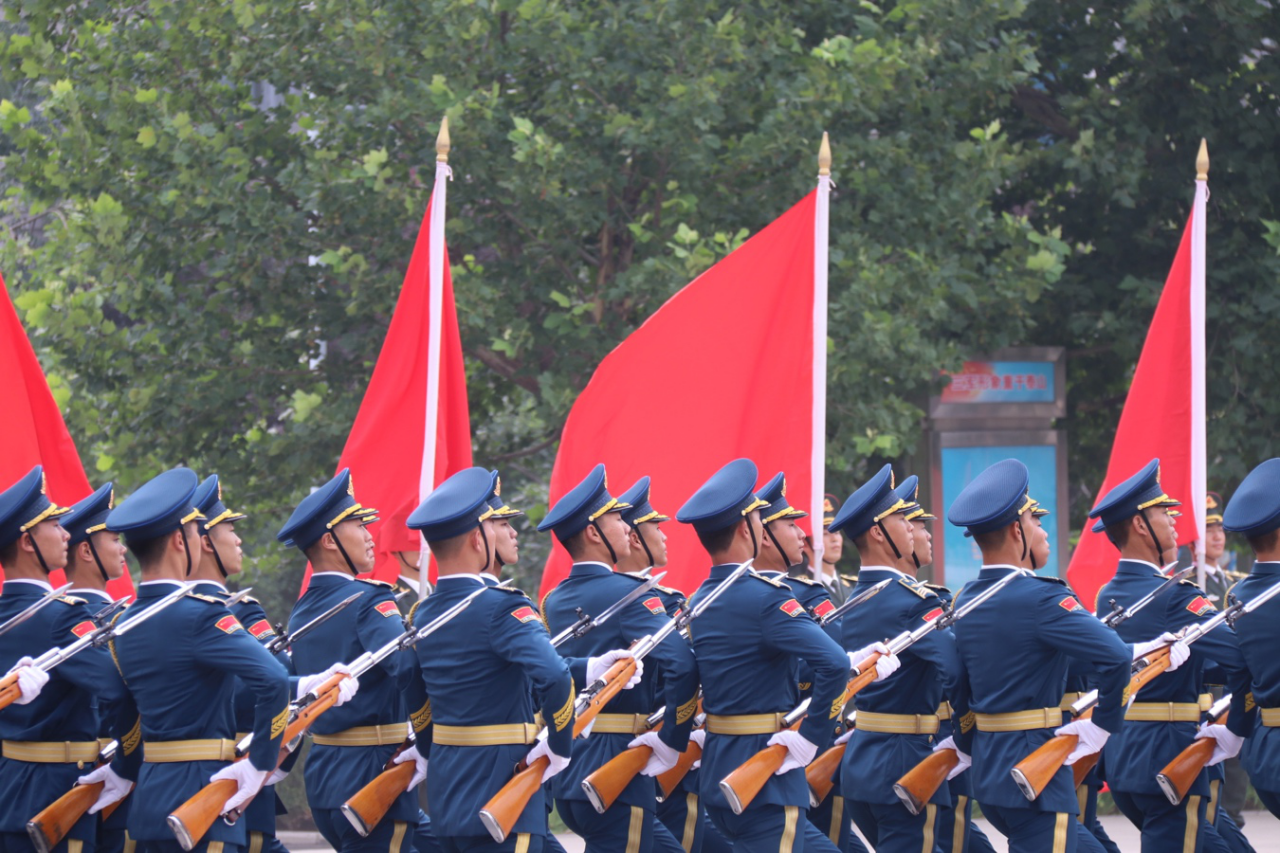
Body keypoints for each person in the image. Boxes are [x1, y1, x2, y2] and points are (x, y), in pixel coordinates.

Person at [677, 458, 889, 852]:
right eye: (760, 520)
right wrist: (810, 739)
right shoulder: (767, 597)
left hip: (721, 768)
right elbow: (834, 663)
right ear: (746, 529)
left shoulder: (698, 601)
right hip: (765, 774)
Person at [83, 468, 294, 853]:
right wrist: (259, 763)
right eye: (198, 532)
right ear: (181, 540)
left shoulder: (123, 623)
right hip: (202, 799)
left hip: (149, 801)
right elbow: (274, 681)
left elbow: (123, 706)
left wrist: (125, 770)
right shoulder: (202, 614)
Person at [945, 458, 1135, 853]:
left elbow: (956, 683)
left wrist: (967, 744)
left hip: (992, 771)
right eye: (1036, 522)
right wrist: (1101, 728)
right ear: (1017, 530)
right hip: (1036, 770)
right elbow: (1116, 657)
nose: (1041, 529)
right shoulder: (1043, 598)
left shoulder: (964, 601)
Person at [402, 466, 584, 852]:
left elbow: (414, 692)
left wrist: (434, 749)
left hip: (449, 792)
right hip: (502, 791)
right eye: (501, 523)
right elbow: (555, 677)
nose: (514, 532)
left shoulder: (423, 615)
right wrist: (559, 747)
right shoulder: (502, 608)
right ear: (476, 539)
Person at [1090, 459, 1251, 853]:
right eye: (1165, 512)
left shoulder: (1107, 593)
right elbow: (1240, 657)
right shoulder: (1176, 596)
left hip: (1126, 757)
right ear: (1141, 525)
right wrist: (1236, 729)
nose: (1175, 520)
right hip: (1169, 760)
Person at [539, 464, 698, 853]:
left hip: (573, 766)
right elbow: (682, 664)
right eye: (615, 519)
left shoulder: (554, 599)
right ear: (593, 533)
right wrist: (670, 741)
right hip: (618, 767)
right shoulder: (630, 593)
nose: (627, 527)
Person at [279, 469, 423, 853]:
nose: (369, 536)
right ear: (329, 540)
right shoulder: (370, 599)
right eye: (359, 526)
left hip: (325, 772)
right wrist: (428, 740)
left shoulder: (303, 609)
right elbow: (408, 668)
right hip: (373, 775)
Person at [828, 467, 961, 852]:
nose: (910, 527)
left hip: (862, 765)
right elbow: (953, 669)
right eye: (901, 519)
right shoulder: (911, 600)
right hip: (907, 765)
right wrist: (965, 737)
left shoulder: (852, 601)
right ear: (877, 533)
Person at [0, 467, 126, 853]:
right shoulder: (64, 615)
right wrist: (127, 766)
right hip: (57, 792)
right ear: (26, 542)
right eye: (54, 524)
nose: (66, 533)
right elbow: (117, 689)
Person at [59, 481, 133, 853]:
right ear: (86, 550)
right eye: (114, 539)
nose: (122, 549)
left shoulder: (62, 616)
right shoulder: (114, 619)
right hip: (119, 772)